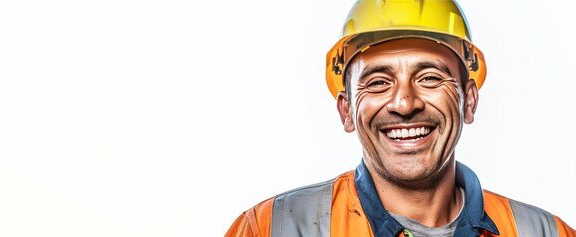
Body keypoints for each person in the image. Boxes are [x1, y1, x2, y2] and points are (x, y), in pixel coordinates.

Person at [225, 0, 576, 236]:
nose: (405, 103)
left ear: (469, 102)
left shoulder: (546, 232)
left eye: (429, 78)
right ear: (346, 110)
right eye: (378, 82)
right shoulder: (273, 228)